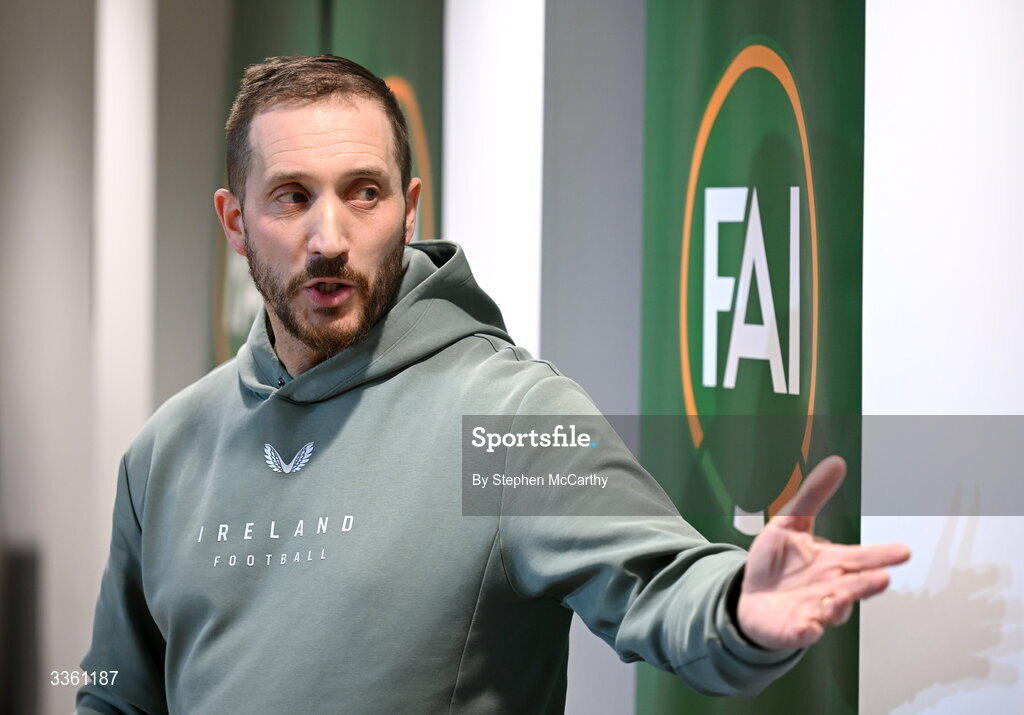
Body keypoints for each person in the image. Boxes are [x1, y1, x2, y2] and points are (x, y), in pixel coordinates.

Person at [75, 55, 909, 714]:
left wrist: (737, 608)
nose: (328, 237)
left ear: (407, 209)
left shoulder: (502, 419)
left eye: (362, 193)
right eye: (292, 197)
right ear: (234, 219)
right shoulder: (166, 451)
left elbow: (660, 582)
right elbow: (114, 693)